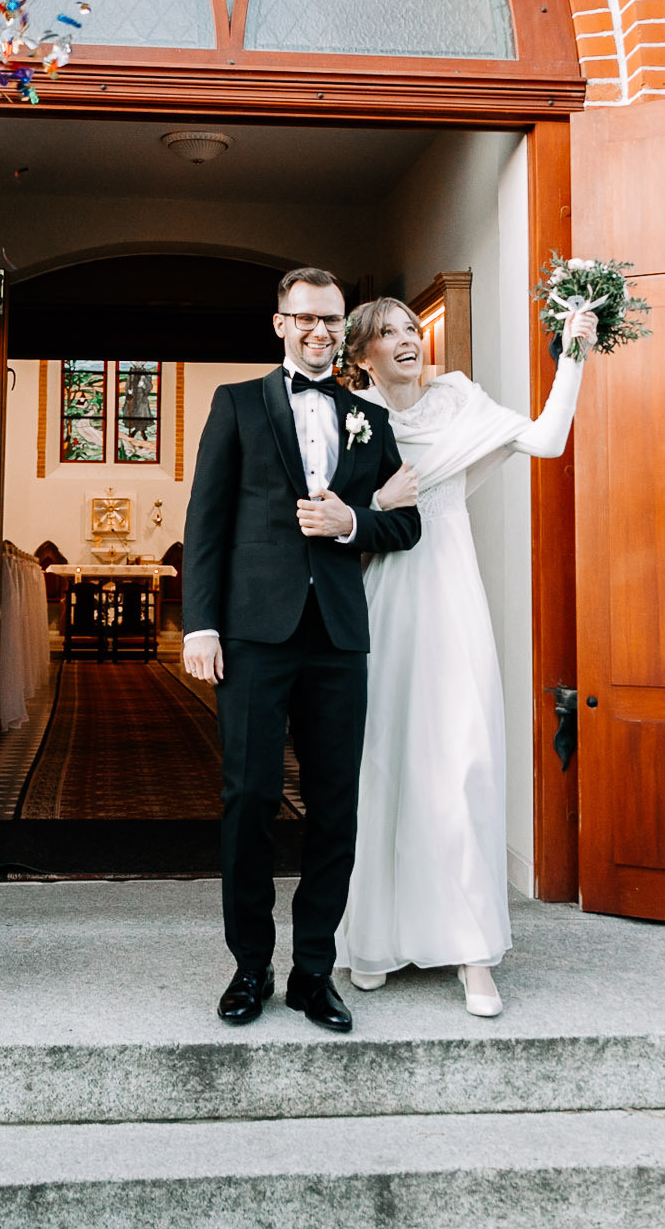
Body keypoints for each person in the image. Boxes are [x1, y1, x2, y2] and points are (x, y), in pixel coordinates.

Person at [332, 297, 596, 1017]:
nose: (407, 342)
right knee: (385, 758)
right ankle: (373, 937)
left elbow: (545, 439)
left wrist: (572, 349)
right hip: (386, 595)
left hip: (451, 590)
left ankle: (475, 954)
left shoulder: (458, 400)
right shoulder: (349, 417)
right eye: (388, 334)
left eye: (411, 330)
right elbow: (325, 522)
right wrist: (376, 504)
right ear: (362, 354)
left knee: (464, 757)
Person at [181, 268, 423, 1033]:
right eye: (306, 318)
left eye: (331, 319)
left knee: (335, 808)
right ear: (280, 323)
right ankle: (249, 967)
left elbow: (407, 521)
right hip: (253, 631)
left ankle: (314, 970)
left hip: (339, 637)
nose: (320, 330)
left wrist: (350, 524)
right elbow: (207, 521)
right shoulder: (238, 404)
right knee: (249, 797)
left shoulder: (367, 418)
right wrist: (200, 625)